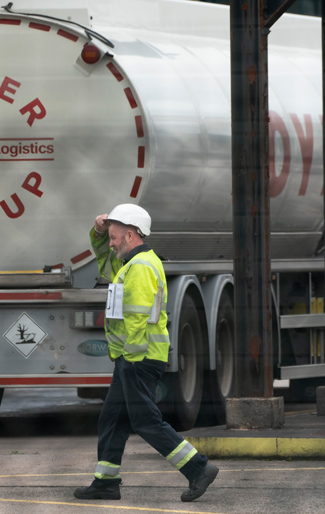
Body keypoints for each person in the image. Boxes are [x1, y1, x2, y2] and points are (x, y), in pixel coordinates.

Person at [74, 204, 218, 503]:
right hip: (132, 355)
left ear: (129, 235)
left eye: (114, 237)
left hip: (138, 356)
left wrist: (130, 355)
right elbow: (104, 263)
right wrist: (99, 233)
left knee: (145, 420)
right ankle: (105, 482)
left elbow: (137, 316)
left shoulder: (139, 268)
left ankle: (198, 468)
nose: (111, 243)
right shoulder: (132, 263)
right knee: (113, 418)